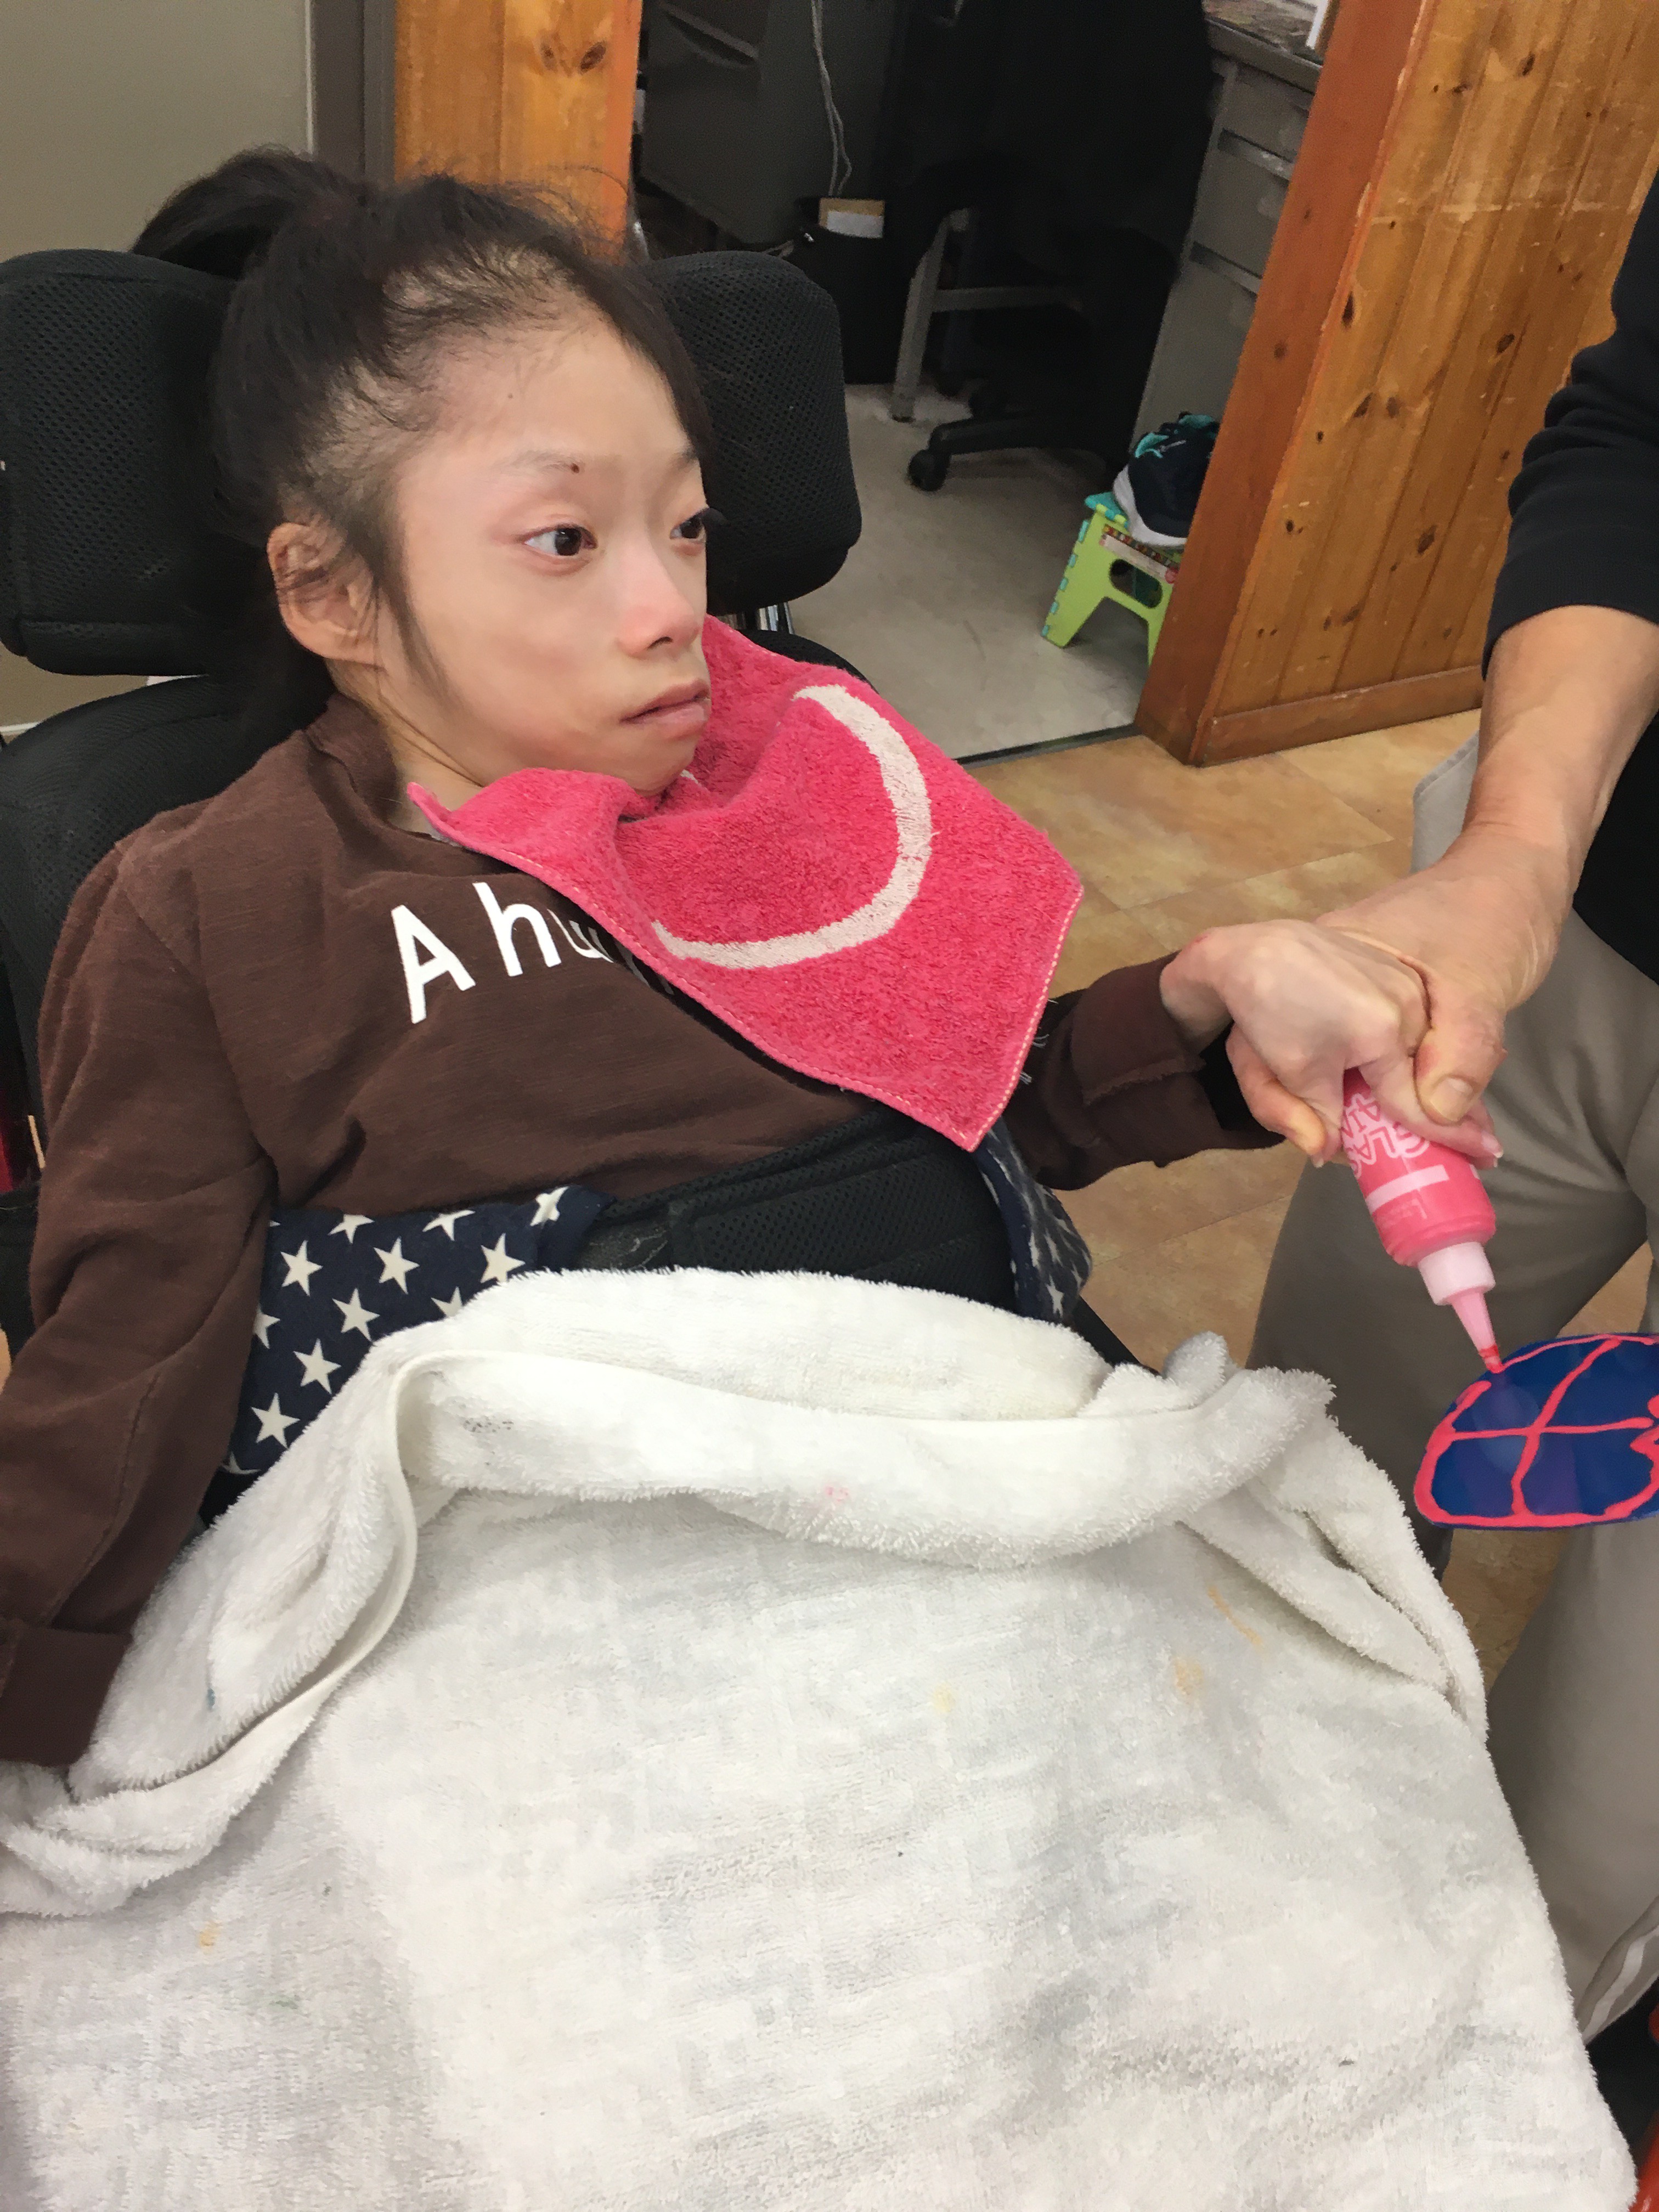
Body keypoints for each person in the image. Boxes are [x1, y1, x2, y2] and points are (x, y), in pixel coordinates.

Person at [0, 151, 1437, 1771]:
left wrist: (1196, 1008)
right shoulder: (223, 906)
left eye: (684, 525)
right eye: (563, 538)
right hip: (560, 1636)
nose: (669, 606)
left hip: (963, 1504)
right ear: (333, 590)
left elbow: (973, 1102)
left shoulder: (795, 772)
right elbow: (125, 1369)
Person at [1250, 172, 1659, 2039]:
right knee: (1303, 1480)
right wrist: (1514, 851)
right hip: (1575, 926)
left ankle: (1490, 2061)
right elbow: (1638, 436)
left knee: (1599, 1819)